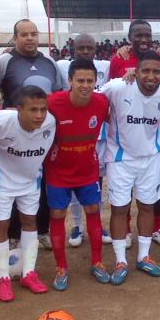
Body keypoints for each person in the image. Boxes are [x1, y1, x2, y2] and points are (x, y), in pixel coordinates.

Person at [101, 51, 160, 283]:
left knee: (147, 206)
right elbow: (90, 100)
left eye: (156, 72)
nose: (150, 76)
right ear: (136, 71)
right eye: (145, 70)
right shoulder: (117, 87)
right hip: (120, 159)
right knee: (119, 209)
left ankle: (144, 257)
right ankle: (120, 260)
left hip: (151, 159)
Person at [0, 86, 56, 301]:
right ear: (18, 109)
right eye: (33, 110)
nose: (39, 115)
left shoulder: (50, 122)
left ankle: (28, 273)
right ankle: (3, 278)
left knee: (30, 221)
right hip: (1, 181)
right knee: (1, 225)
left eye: (43, 109)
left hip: (31, 180)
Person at [0, 19, 64, 251]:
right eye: (24, 34)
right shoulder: (5, 61)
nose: (29, 39)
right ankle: (14, 233)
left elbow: (59, 92)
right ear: (16, 37)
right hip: (15, 133)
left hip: (44, 132)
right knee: (16, 181)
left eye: (33, 34)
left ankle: (42, 230)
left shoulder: (49, 62)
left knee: (43, 180)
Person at [45, 58, 109, 290]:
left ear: (96, 81)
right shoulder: (52, 103)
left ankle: (97, 262)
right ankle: (61, 267)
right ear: (69, 81)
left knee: (93, 210)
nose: (84, 85)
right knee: (58, 215)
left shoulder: (102, 102)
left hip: (87, 170)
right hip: (58, 171)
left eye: (89, 80)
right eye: (79, 80)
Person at [110, 20, 160, 247]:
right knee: (123, 191)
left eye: (147, 35)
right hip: (125, 136)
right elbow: (111, 93)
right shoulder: (119, 59)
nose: (143, 39)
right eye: (138, 35)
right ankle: (124, 230)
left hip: (152, 134)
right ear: (129, 37)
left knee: (156, 186)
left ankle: (156, 226)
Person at [57, 34, 112, 248]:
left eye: (90, 47)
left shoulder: (105, 66)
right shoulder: (62, 66)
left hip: (99, 136)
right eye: (81, 47)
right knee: (72, 184)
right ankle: (78, 226)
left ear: (96, 49)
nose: (86, 51)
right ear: (73, 48)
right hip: (72, 134)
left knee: (96, 184)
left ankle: (97, 224)